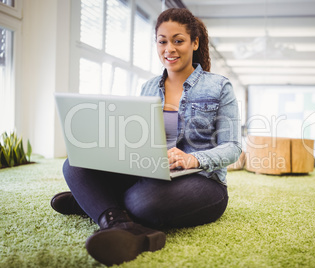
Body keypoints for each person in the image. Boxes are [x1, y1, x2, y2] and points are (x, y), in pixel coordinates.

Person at [50, 7, 241, 266]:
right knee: (74, 163)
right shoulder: (149, 86)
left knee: (141, 202)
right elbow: (140, 137)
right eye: (162, 41)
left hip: (204, 182)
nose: (169, 49)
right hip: (152, 171)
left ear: (194, 43)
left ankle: (97, 202)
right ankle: (117, 221)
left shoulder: (219, 86)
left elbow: (232, 147)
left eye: (178, 41)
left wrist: (192, 159)